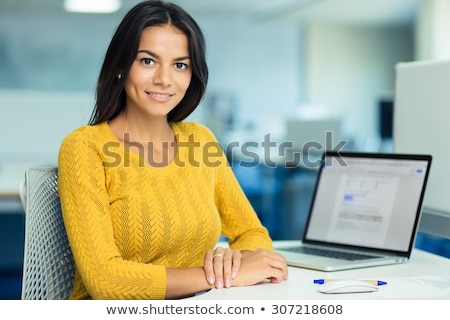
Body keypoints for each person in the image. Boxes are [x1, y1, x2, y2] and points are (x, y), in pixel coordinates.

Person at [58, 0, 288, 300]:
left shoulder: (200, 141)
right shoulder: (85, 147)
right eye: (147, 61)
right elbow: (105, 280)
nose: (164, 79)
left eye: (180, 65)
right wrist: (220, 276)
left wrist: (232, 262)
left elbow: (253, 234)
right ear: (120, 66)